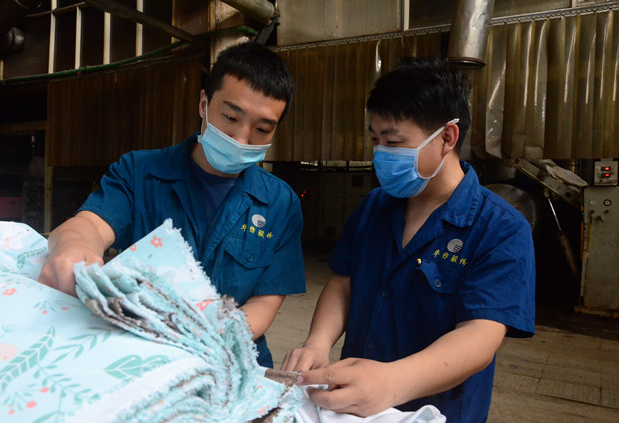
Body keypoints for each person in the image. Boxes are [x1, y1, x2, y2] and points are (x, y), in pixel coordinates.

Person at [281, 57, 535, 421]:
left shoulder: (500, 228)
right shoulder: (374, 207)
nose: (381, 153)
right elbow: (343, 284)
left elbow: (480, 334)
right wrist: (318, 343)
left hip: (440, 412)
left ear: (447, 138)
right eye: (376, 140)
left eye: (394, 141)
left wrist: (391, 382)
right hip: (356, 410)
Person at [38, 41, 306, 368]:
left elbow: (266, 299)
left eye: (262, 129)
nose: (241, 138)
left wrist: (213, 338)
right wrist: (75, 244)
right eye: (231, 117)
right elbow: (91, 224)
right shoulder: (139, 173)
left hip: (231, 357)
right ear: (204, 103)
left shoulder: (280, 202)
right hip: (144, 354)